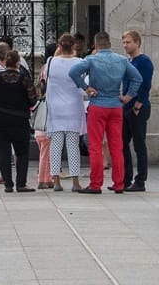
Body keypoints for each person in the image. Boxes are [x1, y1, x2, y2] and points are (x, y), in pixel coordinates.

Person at [68, 31, 142, 194]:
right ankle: (119, 183)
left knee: (95, 146)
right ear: (110, 43)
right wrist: (128, 96)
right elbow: (138, 78)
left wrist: (86, 87)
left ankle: (95, 184)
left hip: (98, 105)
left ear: (96, 45)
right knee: (117, 146)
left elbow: (73, 72)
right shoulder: (121, 60)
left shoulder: (91, 59)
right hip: (116, 106)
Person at [0, 49, 37, 192]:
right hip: (19, 120)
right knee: (22, 152)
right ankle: (21, 183)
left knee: (3, 151)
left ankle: (8, 184)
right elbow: (33, 100)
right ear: (18, 63)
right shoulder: (24, 79)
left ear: (5, 63)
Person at [45, 33, 85, 192]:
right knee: (73, 145)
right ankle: (75, 181)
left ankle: (56, 181)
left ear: (59, 46)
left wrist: (58, 52)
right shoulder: (80, 62)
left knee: (55, 146)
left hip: (55, 108)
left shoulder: (51, 61)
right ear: (74, 45)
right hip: (73, 107)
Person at [121, 30, 154, 192]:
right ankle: (126, 178)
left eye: (128, 42)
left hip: (137, 108)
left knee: (139, 145)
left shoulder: (144, 61)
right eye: (124, 42)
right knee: (122, 143)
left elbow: (146, 84)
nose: (125, 45)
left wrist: (138, 104)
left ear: (137, 43)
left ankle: (140, 180)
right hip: (126, 107)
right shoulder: (128, 61)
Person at [34, 44, 55, 189]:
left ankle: (46, 178)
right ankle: (43, 179)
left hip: (39, 128)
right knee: (45, 155)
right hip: (45, 129)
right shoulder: (52, 67)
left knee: (44, 154)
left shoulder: (43, 69)